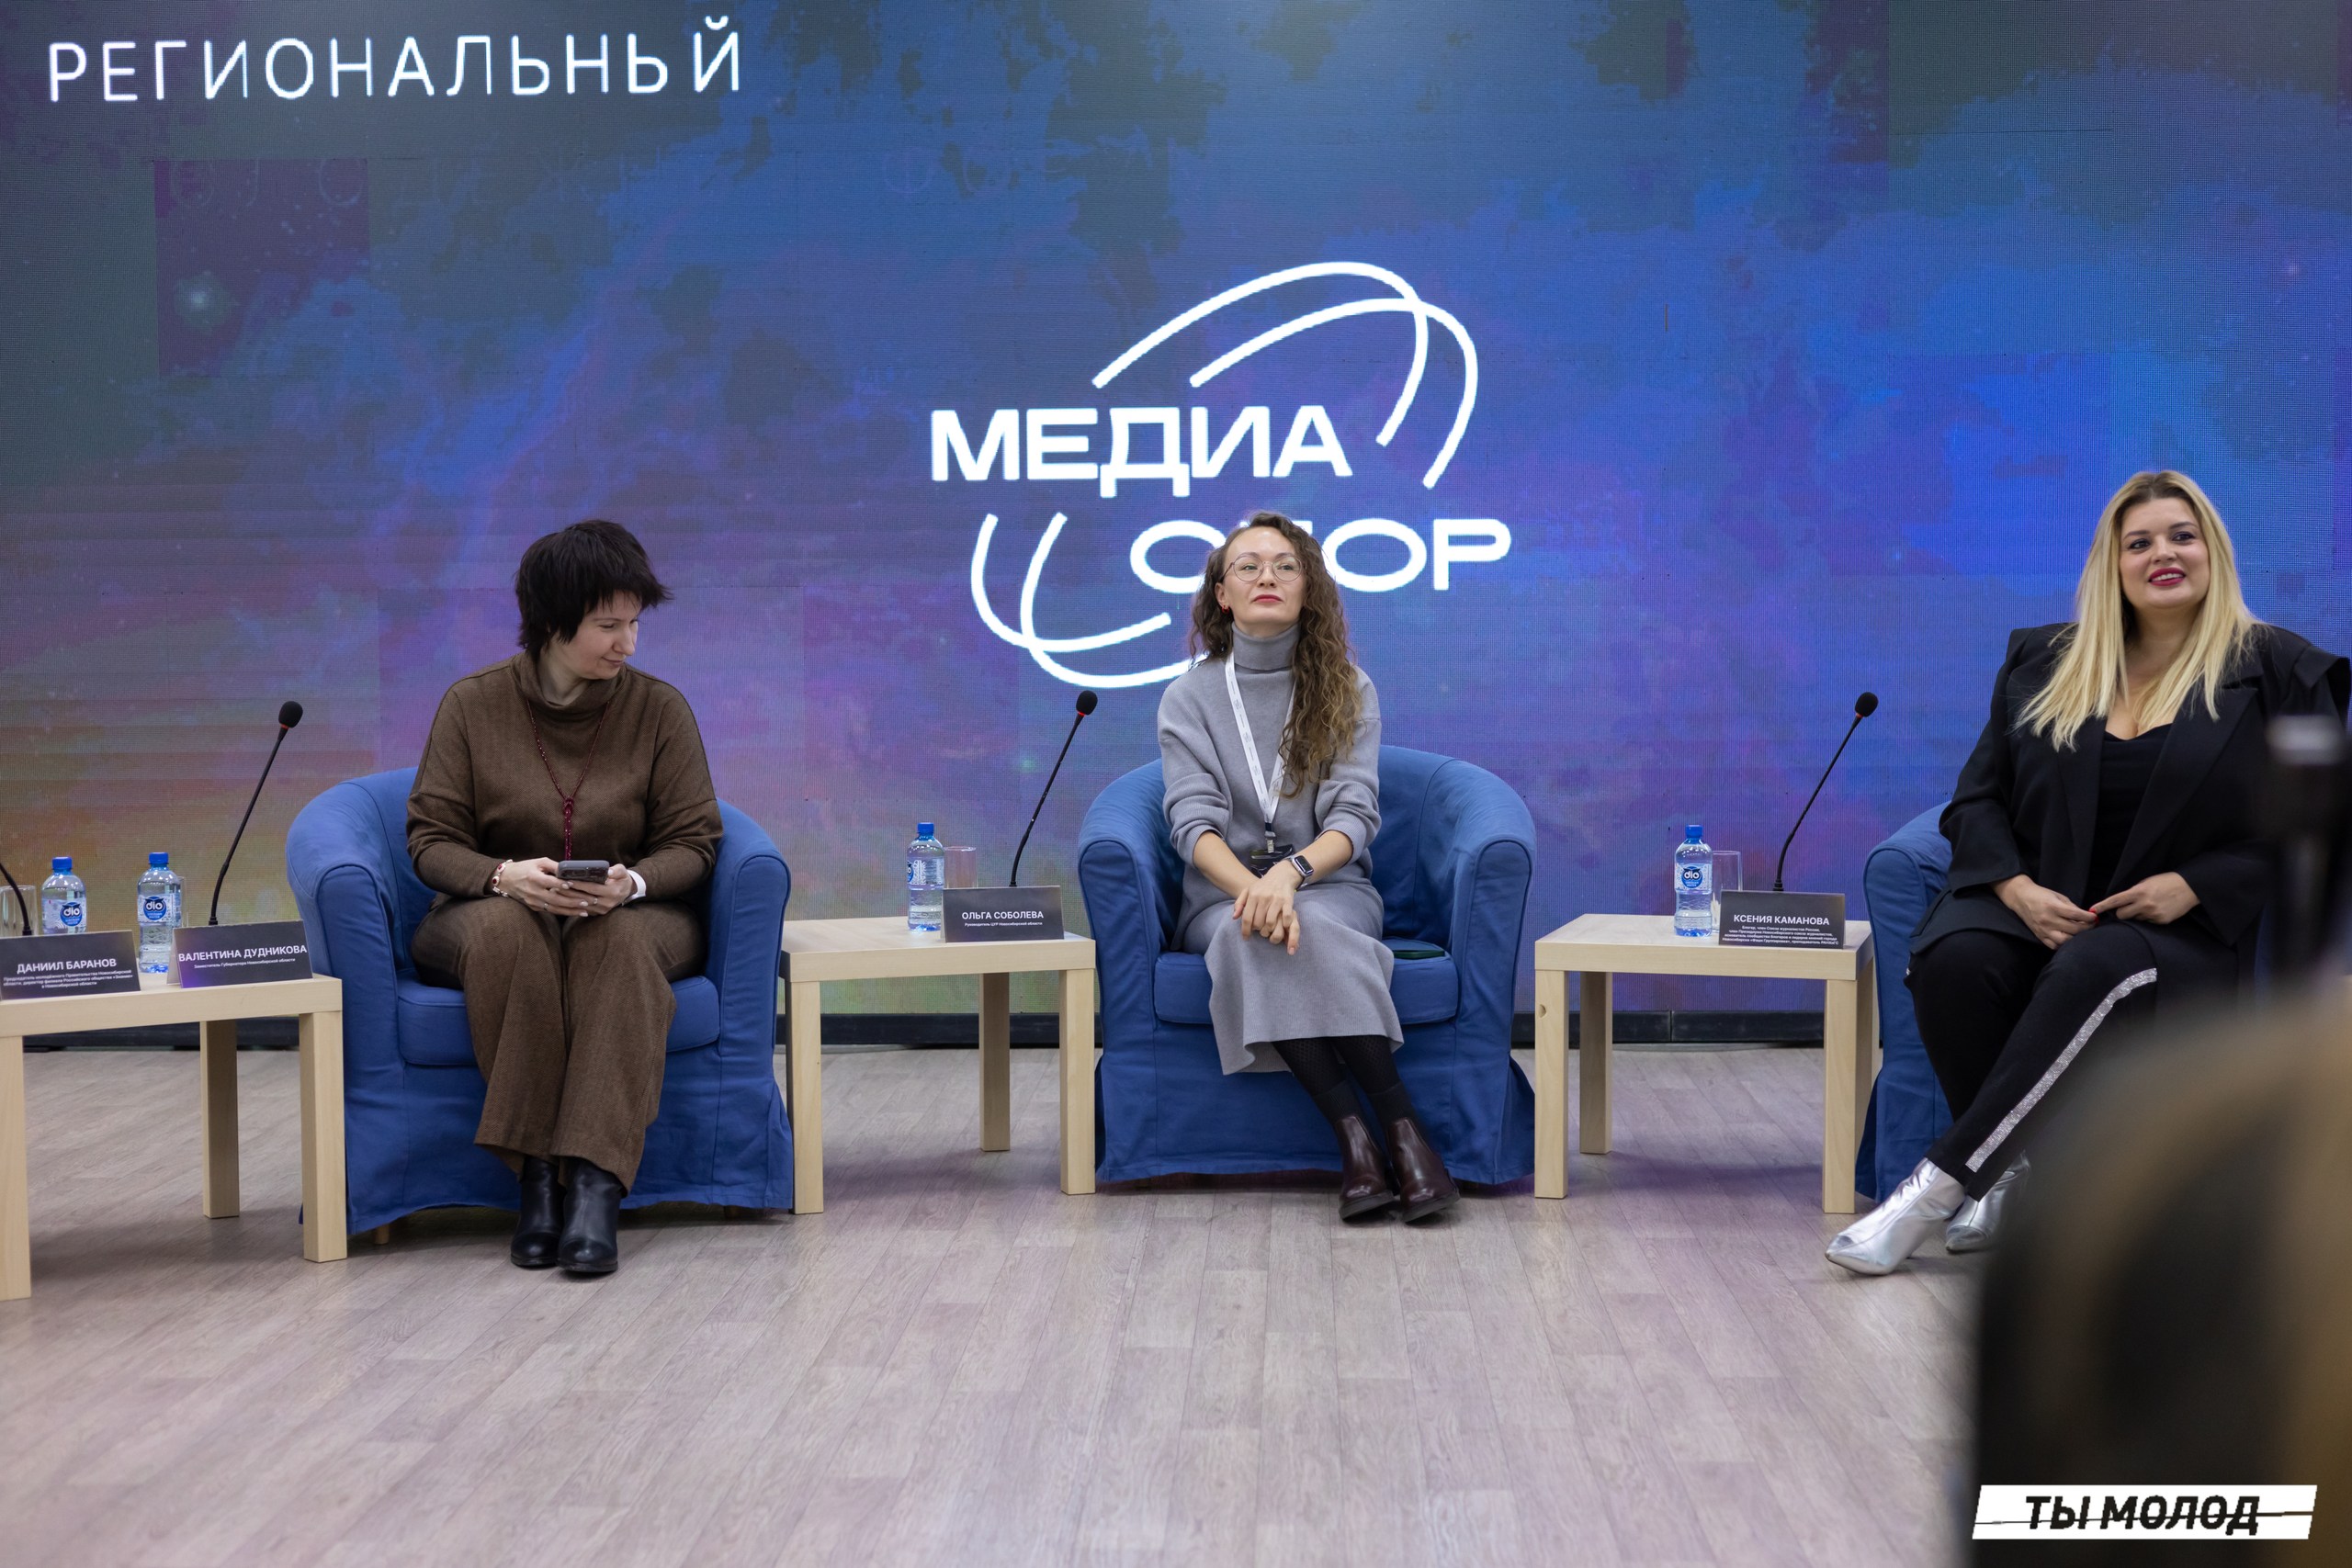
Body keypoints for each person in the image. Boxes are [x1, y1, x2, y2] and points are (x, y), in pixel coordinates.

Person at [1828, 471, 2347, 1275]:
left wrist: (2198, 883)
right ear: (2113, 565)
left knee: (2095, 966)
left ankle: (1930, 1192)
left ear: (2213, 550)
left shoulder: (2284, 671)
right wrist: (2015, 889)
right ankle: (2011, 1178)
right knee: (1952, 959)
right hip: (2042, 905)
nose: (2162, 553)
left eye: (2182, 535)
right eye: (2139, 542)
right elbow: (1976, 799)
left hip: (2185, 932)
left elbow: (2319, 824)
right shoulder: (2043, 659)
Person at [407, 520, 722, 1276]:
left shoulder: (660, 710)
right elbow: (430, 840)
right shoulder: (472, 705)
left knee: (615, 942)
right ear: (553, 622)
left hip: (631, 913)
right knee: (508, 935)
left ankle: (592, 1186)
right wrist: (503, 875)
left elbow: (695, 841)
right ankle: (537, 1180)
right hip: (492, 909)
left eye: (635, 624)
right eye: (609, 626)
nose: (628, 645)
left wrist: (631, 883)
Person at [1156, 511, 1459, 1222]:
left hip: (1329, 885)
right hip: (1222, 897)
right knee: (1250, 929)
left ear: (1308, 587)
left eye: (1285, 565)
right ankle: (1380, 1135)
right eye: (1248, 565)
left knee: (1303, 926)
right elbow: (1192, 823)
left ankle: (1378, 1141)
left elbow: (1354, 816)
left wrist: (1288, 876)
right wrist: (1256, 890)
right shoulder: (1188, 696)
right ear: (1222, 593)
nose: (1267, 575)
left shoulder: (1347, 687)